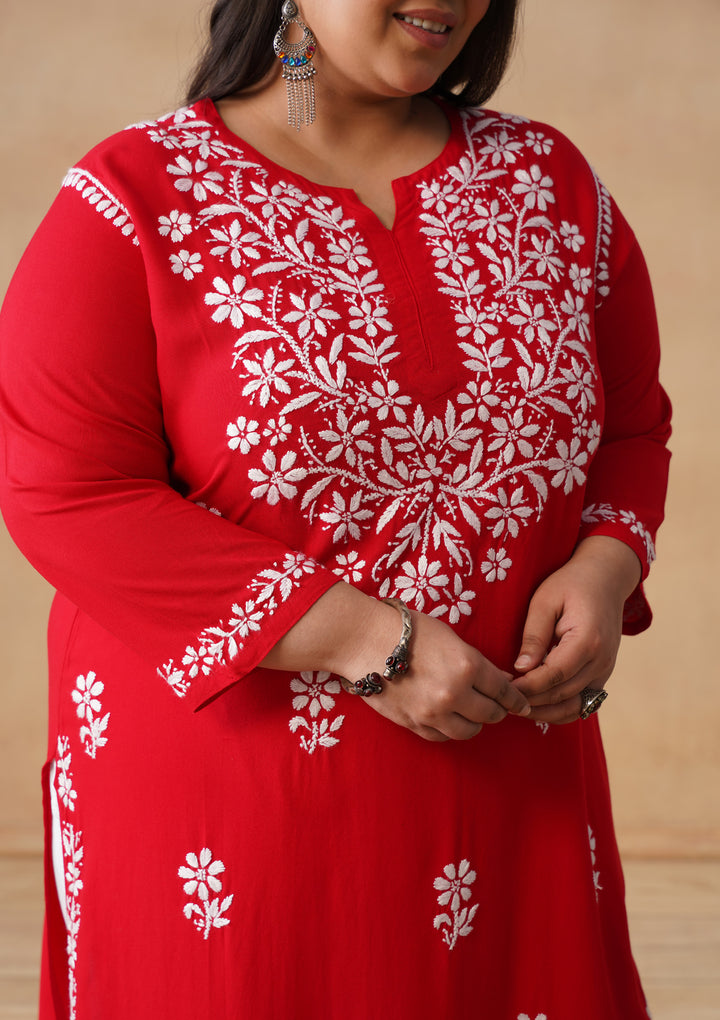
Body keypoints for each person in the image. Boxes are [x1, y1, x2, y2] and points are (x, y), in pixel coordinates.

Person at [0, 0, 671, 1016]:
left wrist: (606, 564)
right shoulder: (136, 198)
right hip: (230, 821)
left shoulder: (552, 185)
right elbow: (66, 490)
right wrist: (366, 639)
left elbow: (630, 425)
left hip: (509, 793)